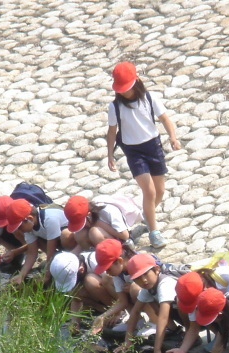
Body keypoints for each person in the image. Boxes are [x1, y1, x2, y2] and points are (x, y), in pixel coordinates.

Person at [106, 61, 180, 249]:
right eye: (120, 89)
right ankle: (154, 232)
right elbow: (112, 131)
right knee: (149, 191)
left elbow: (165, 119)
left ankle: (147, 215)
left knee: (160, 190)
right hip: (134, 152)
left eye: (127, 88)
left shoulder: (149, 98)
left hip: (153, 146)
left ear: (136, 81)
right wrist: (110, 155)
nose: (124, 92)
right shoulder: (114, 107)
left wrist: (173, 137)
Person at [113, 253, 180, 353]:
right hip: (175, 312)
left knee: (162, 308)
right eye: (137, 278)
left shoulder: (165, 283)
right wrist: (127, 340)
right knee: (150, 300)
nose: (143, 280)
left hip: (190, 315)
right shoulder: (147, 288)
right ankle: (175, 331)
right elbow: (135, 312)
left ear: (156, 270)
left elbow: (163, 318)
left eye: (146, 274)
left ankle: (186, 334)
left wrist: (157, 351)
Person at [5, 198, 69, 286]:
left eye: (19, 227)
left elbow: (50, 252)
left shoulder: (50, 219)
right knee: (37, 241)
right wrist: (21, 275)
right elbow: (32, 253)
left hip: (70, 239)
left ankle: (71, 258)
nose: (19, 231)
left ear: (29, 218)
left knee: (65, 236)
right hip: (54, 240)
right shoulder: (29, 227)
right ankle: (57, 260)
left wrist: (46, 276)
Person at [49, 251, 115, 333]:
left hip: (117, 296)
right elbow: (76, 299)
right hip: (102, 300)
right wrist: (75, 323)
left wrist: (118, 311)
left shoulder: (95, 262)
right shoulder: (75, 265)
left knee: (90, 281)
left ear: (81, 270)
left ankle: (116, 312)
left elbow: (116, 285)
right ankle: (104, 311)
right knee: (76, 289)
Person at [89, 238, 142, 335]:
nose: (107, 272)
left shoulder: (138, 264)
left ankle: (154, 321)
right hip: (141, 299)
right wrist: (102, 317)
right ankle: (137, 320)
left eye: (108, 269)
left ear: (120, 261)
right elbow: (123, 302)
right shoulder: (118, 273)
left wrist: (137, 285)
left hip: (158, 299)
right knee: (126, 289)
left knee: (134, 288)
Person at [61, 194, 135, 252]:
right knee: (79, 235)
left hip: (121, 240)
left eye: (82, 223)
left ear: (89, 214)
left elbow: (125, 235)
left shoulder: (108, 211)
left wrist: (101, 225)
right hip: (102, 236)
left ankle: (111, 257)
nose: (83, 226)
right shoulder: (90, 216)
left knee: (94, 232)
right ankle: (92, 255)